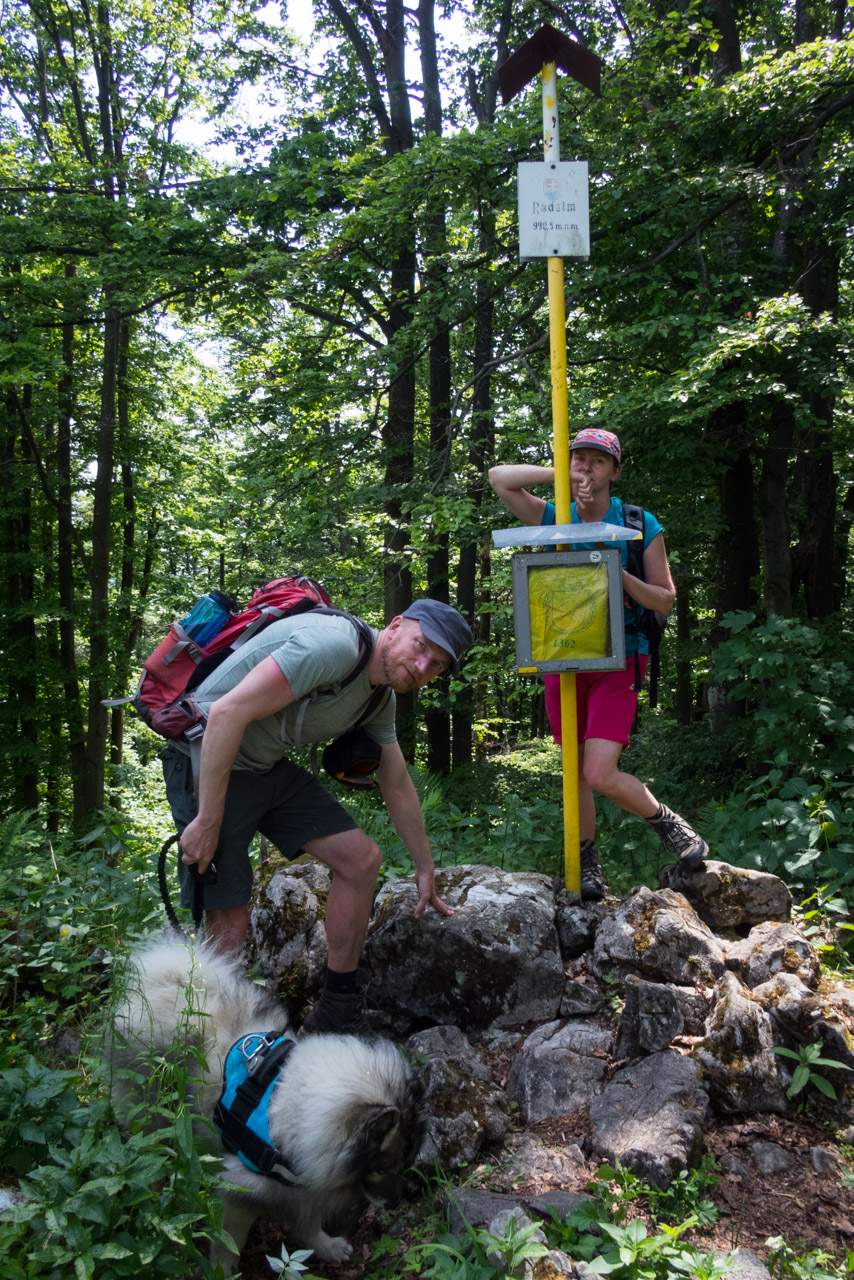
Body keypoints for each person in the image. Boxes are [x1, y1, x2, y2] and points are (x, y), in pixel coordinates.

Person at [164, 597, 473, 1033]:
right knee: (230, 915)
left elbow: (397, 780)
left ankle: (335, 1011)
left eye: (437, 665)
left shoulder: (376, 699)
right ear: (396, 624)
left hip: (264, 765)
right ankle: (214, 1038)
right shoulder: (333, 648)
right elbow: (226, 712)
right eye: (421, 647)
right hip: (206, 757)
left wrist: (425, 867)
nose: (423, 667)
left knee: (361, 860)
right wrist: (208, 820)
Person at [489, 427, 708, 901]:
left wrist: (616, 571)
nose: (586, 467)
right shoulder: (551, 515)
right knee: (573, 773)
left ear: (615, 470)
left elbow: (665, 601)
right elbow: (499, 478)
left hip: (618, 662)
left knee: (599, 773)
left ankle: (669, 824)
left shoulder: (638, 523)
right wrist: (560, 476)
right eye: (578, 458)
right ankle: (587, 862)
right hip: (562, 662)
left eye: (596, 461)